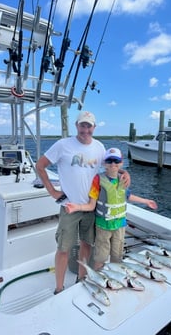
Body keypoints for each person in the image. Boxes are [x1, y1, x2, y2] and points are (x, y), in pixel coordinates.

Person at [36, 112, 130, 294]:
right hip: (69, 207)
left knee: (87, 244)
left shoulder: (99, 147)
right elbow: (40, 165)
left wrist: (125, 173)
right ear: (76, 125)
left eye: (89, 126)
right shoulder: (63, 145)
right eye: (82, 125)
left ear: (94, 128)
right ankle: (59, 288)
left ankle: (81, 279)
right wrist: (52, 191)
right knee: (64, 248)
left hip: (91, 207)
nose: (85, 130)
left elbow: (112, 164)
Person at [65, 147, 158, 271]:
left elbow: (128, 196)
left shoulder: (123, 179)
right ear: (104, 164)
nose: (113, 164)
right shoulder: (98, 180)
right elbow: (92, 205)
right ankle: (100, 277)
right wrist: (77, 207)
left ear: (121, 163)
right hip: (103, 225)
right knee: (101, 257)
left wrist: (146, 201)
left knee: (117, 255)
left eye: (116, 161)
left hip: (120, 224)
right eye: (109, 161)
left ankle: (115, 276)